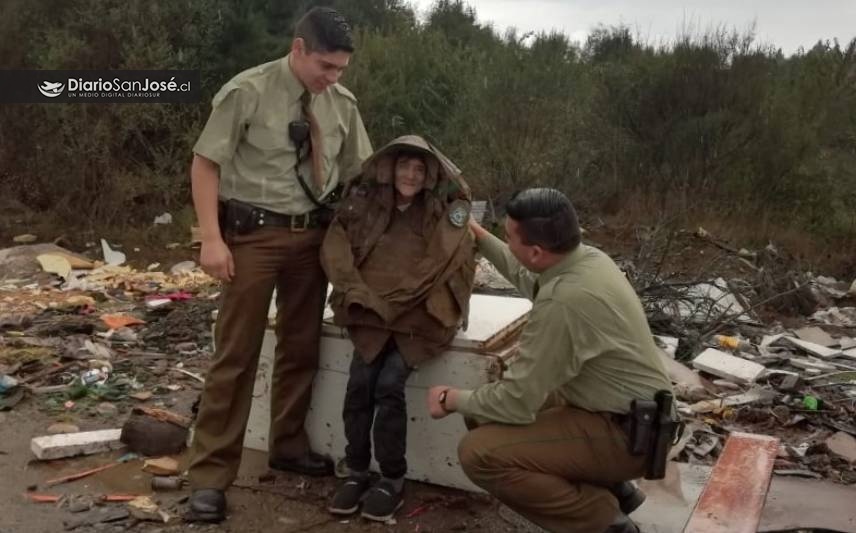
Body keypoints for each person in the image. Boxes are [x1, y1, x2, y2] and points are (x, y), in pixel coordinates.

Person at [185, 7, 373, 523]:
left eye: (340, 69)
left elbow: (361, 172)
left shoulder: (342, 104)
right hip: (252, 237)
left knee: (301, 347)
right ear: (298, 49)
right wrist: (211, 239)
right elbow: (206, 162)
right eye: (325, 66)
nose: (332, 78)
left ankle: (288, 446)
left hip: (312, 238)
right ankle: (209, 475)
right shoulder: (247, 90)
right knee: (236, 355)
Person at [426, 188, 674, 533]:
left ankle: (603, 520)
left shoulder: (563, 302)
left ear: (538, 251)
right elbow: (528, 275)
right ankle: (617, 490)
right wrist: (481, 238)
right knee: (482, 413)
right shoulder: (586, 260)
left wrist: (449, 398)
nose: (506, 242)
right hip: (634, 418)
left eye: (509, 237)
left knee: (478, 452)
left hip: (625, 437)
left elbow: (516, 403)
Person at [320, 135, 476, 522]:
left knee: (389, 385)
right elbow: (335, 243)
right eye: (405, 166)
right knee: (360, 384)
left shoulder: (444, 211)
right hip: (370, 313)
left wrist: (399, 301)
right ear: (390, 168)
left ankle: (392, 477)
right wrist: (357, 291)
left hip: (420, 317)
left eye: (419, 169)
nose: (410, 174)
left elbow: (441, 261)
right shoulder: (367, 204)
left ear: (429, 176)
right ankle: (356, 470)